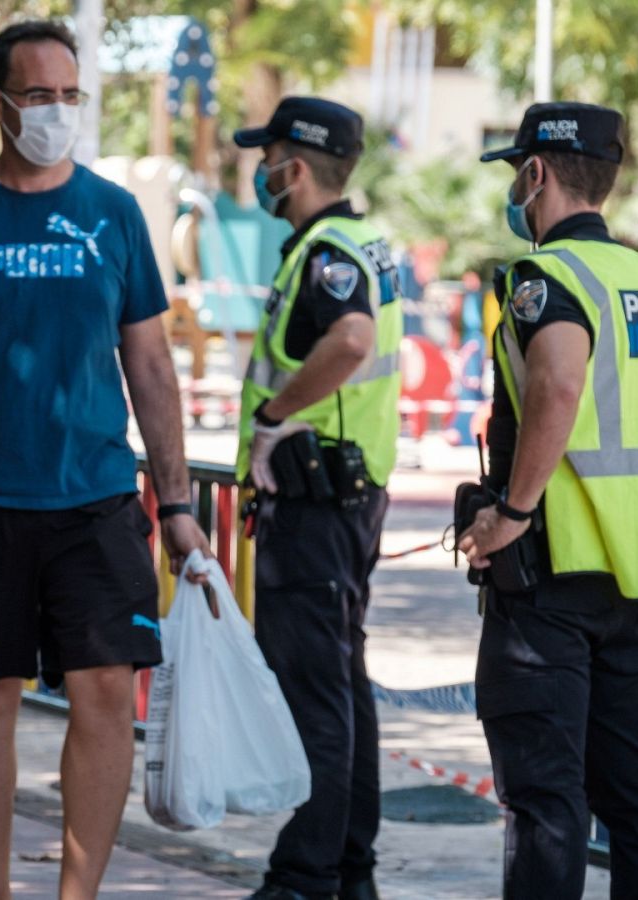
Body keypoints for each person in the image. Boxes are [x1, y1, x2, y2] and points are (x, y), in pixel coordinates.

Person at [0, 21, 211, 900]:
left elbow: (150, 365)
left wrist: (175, 507)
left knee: (104, 692)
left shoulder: (115, 214)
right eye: (38, 96)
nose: (57, 112)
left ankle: (77, 895)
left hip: (93, 501)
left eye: (70, 95)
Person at [460, 102, 638, 900]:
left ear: (536, 173)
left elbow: (559, 381)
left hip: (550, 578)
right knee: (636, 803)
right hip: (634, 582)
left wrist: (510, 512)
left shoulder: (544, 278)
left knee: (547, 803)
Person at [232, 97, 403, 900]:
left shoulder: (328, 253)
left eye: (265, 158)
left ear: (293, 168)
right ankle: (348, 866)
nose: (260, 172)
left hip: (315, 500)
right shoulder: (365, 241)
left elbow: (352, 340)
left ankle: (305, 877)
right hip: (350, 499)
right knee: (342, 690)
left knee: (315, 697)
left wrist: (273, 415)